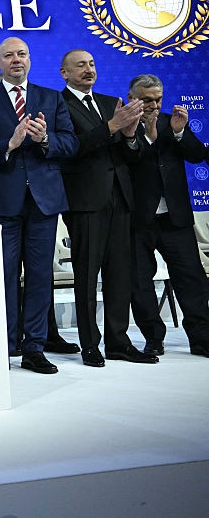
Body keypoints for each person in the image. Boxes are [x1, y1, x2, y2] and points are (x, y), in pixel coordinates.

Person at [0, 37, 78, 374]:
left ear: (30, 60)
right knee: (4, 275)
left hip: (44, 201)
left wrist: (45, 139)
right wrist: (9, 143)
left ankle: (34, 348)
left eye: (22, 54)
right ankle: (6, 341)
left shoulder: (51, 97)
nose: (16, 60)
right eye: (9, 56)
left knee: (41, 276)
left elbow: (70, 142)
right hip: (2, 200)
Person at [58, 49, 155, 366]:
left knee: (119, 276)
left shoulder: (108, 101)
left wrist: (129, 135)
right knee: (86, 276)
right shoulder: (58, 104)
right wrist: (112, 127)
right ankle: (90, 344)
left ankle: (118, 341)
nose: (88, 69)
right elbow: (71, 148)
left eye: (92, 64)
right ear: (65, 73)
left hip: (120, 199)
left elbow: (134, 153)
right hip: (85, 202)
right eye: (81, 65)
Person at [127, 74, 209, 358]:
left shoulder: (171, 122)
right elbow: (130, 161)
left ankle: (201, 339)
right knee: (139, 281)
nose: (153, 105)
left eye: (158, 99)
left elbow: (199, 156)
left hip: (175, 217)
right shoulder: (121, 126)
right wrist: (147, 137)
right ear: (132, 98)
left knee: (191, 279)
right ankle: (153, 338)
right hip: (137, 219)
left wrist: (179, 133)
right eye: (147, 100)